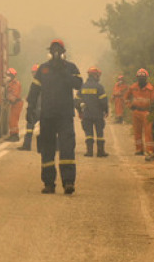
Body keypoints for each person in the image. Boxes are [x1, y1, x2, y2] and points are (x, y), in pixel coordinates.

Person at [25, 39, 82, 194]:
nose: (56, 53)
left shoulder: (70, 68)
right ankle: (49, 184)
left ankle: (68, 182)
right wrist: (30, 107)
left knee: (67, 149)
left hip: (64, 116)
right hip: (47, 116)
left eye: (59, 50)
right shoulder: (43, 69)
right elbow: (34, 89)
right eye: (53, 50)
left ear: (63, 52)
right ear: (50, 52)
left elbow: (78, 84)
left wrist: (64, 72)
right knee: (47, 150)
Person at [78, 67, 110, 157]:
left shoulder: (83, 86)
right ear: (95, 75)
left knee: (88, 133)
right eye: (98, 75)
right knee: (99, 133)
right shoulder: (99, 87)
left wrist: (80, 111)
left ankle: (89, 152)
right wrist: (106, 110)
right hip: (98, 114)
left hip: (86, 114)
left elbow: (76, 100)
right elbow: (103, 101)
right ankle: (100, 152)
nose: (98, 77)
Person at [124, 68, 154, 158]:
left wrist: (151, 111)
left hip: (147, 113)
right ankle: (139, 149)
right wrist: (130, 106)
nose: (141, 79)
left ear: (146, 78)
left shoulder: (151, 88)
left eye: (143, 77)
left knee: (148, 132)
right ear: (137, 78)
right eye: (139, 77)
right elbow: (126, 97)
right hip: (136, 112)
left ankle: (149, 150)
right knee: (137, 132)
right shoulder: (133, 87)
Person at [17, 64, 40, 151]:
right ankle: (54, 146)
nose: (33, 74)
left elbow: (33, 95)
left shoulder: (36, 83)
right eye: (32, 72)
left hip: (35, 108)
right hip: (41, 108)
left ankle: (27, 146)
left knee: (30, 127)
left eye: (34, 72)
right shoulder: (46, 82)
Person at [3, 68, 24, 142]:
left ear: (12, 76)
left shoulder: (15, 83)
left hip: (17, 104)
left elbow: (14, 95)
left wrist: (8, 100)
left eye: (9, 75)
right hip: (14, 104)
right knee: (11, 120)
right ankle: (12, 135)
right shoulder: (10, 83)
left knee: (13, 120)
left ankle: (15, 136)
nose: (7, 76)